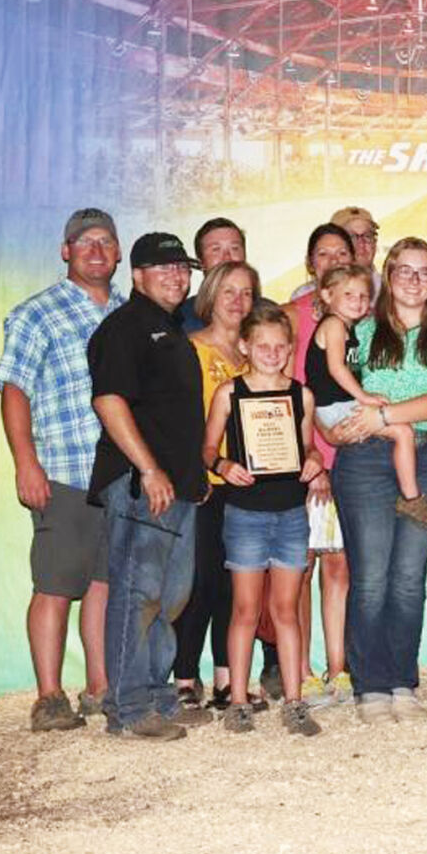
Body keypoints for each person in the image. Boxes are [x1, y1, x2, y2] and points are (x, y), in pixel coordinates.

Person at [325, 238, 427, 724]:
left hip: (425, 456)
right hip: (363, 460)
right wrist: (337, 426)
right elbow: (327, 383)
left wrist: (382, 415)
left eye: (424, 272)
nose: (413, 279)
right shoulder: (362, 329)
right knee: (370, 580)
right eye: (403, 270)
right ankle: (370, 685)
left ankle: (402, 681)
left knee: (409, 581)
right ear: (388, 276)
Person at [0, 208, 126, 731]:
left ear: (118, 253)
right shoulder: (36, 313)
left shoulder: (126, 313)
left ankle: (99, 687)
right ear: (65, 251)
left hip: (117, 474)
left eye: (106, 241)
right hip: (65, 468)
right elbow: (15, 390)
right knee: (54, 584)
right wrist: (26, 461)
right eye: (84, 241)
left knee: (104, 584)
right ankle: (49, 696)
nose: (96, 249)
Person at [87, 232, 212, 740]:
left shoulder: (172, 327)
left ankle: (157, 696)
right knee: (139, 594)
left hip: (177, 485)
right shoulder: (125, 327)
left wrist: (190, 475)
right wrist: (149, 469)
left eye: (183, 269)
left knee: (170, 597)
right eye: (164, 268)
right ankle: (128, 707)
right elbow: (109, 401)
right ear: (137, 275)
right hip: (143, 484)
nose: (177, 277)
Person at [204, 303, 326, 735]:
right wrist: (222, 467)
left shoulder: (301, 395)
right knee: (244, 609)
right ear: (245, 346)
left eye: (280, 346)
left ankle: (295, 702)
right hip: (245, 514)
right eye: (263, 346)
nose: (272, 353)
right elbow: (207, 449)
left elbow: (308, 447)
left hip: (291, 513)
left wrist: (314, 463)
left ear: (290, 348)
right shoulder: (229, 394)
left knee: (286, 610)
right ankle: (237, 701)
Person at [172, 260, 258, 714]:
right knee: (200, 582)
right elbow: (181, 423)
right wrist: (191, 476)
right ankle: (186, 676)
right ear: (209, 296)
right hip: (204, 482)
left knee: (233, 583)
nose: (238, 301)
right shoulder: (190, 350)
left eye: (246, 293)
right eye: (228, 292)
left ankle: (228, 676)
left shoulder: (255, 355)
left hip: (245, 484)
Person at [280, 223, 355, 707]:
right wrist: (311, 457)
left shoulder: (358, 317)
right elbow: (285, 397)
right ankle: (302, 671)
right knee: (301, 569)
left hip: (351, 458)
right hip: (307, 461)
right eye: (322, 253)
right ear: (312, 265)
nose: (330, 259)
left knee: (340, 569)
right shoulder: (291, 316)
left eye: (340, 252)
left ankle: (339, 669)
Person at [311, 265, 427, 531]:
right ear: (326, 295)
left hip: (342, 404)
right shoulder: (334, 325)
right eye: (349, 295)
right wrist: (364, 397)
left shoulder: (350, 327)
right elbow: (336, 367)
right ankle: (412, 498)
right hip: (335, 407)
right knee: (403, 432)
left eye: (363, 296)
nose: (358, 302)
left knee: (395, 420)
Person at [175, 217, 247, 332]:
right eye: (216, 250)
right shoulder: (180, 319)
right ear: (201, 262)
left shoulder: (267, 312)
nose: (227, 257)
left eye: (235, 248)